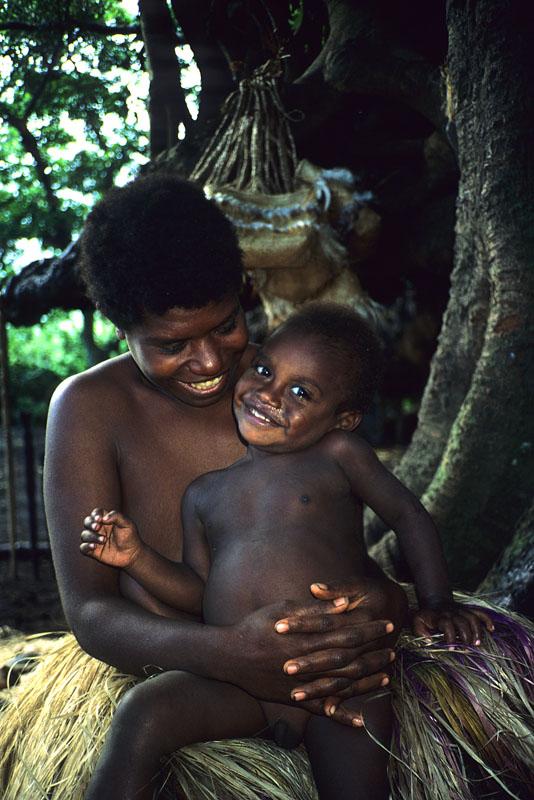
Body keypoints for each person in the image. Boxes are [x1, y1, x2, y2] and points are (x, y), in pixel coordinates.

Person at [0, 174, 406, 799]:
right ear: (118, 326)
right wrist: (228, 653)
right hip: (173, 674)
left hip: (319, 674)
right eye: (171, 344)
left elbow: (334, 546)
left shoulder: (286, 396)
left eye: (225, 326)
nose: (211, 362)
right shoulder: (87, 409)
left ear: (243, 295)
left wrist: (383, 608)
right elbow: (91, 612)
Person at [80, 303, 493, 800]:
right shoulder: (205, 493)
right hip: (239, 686)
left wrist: (436, 601)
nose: (269, 395)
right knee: (142, 712)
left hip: (337, 681)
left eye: (301, 392)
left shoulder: (338, 456)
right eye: (264, 370)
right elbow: (198, 592)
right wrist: (137, 558)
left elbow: (408, 516)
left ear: (343, 419)